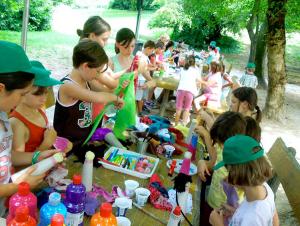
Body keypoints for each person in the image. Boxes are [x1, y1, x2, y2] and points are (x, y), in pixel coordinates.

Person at [0, 41, 62, 216]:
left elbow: (6, 155)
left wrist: (37, 155)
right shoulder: (11, 117)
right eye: (21, 95)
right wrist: (19, 186)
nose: (21, 101)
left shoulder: (3, 115)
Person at [53, 39, 124, 160]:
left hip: (83, 142)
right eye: (97, 71)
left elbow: (105, 92)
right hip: (66, 149)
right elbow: (97, 97)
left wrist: (120, 92)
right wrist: (114, 98)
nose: (98, 75)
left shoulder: (88, 80)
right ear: (85, 66)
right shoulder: (68, 86)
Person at [209, 135, 276, 226]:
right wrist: (235, 212)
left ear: (236, 172)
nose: (228, 176)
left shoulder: (252, 219)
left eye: (229, 171)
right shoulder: (264, 188)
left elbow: (252, 218)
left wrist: (219, 224)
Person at [10, 61, 72, 153]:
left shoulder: (39, 109)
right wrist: (46, 144)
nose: (44, 99)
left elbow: (39, 137)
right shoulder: (17, 124)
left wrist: (56, 140)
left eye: (46, 92)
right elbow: (18, 165)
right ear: (21, 92)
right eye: (37, 94)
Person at [175, 55, 201, 125]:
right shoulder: (196, 70)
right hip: (190, 91)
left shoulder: (183, 69)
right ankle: (183, 125)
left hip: (181, 89)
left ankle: (176, 125)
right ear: (194, 62)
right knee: (187, 109)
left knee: (178, 109)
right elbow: (198, 82)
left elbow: (180, 79)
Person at [135, 40, 156, 115]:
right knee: (138, 98)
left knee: (141, 97)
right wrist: (152, 68)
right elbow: (143, 68)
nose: (152, 53)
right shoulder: (141, 55)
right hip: (140, 79)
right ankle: (140, 112)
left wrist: (152, 66)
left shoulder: (145, 56)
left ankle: (140, 110)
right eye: (152, 50)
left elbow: (147, 65)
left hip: (143, 78)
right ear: (148, 48)